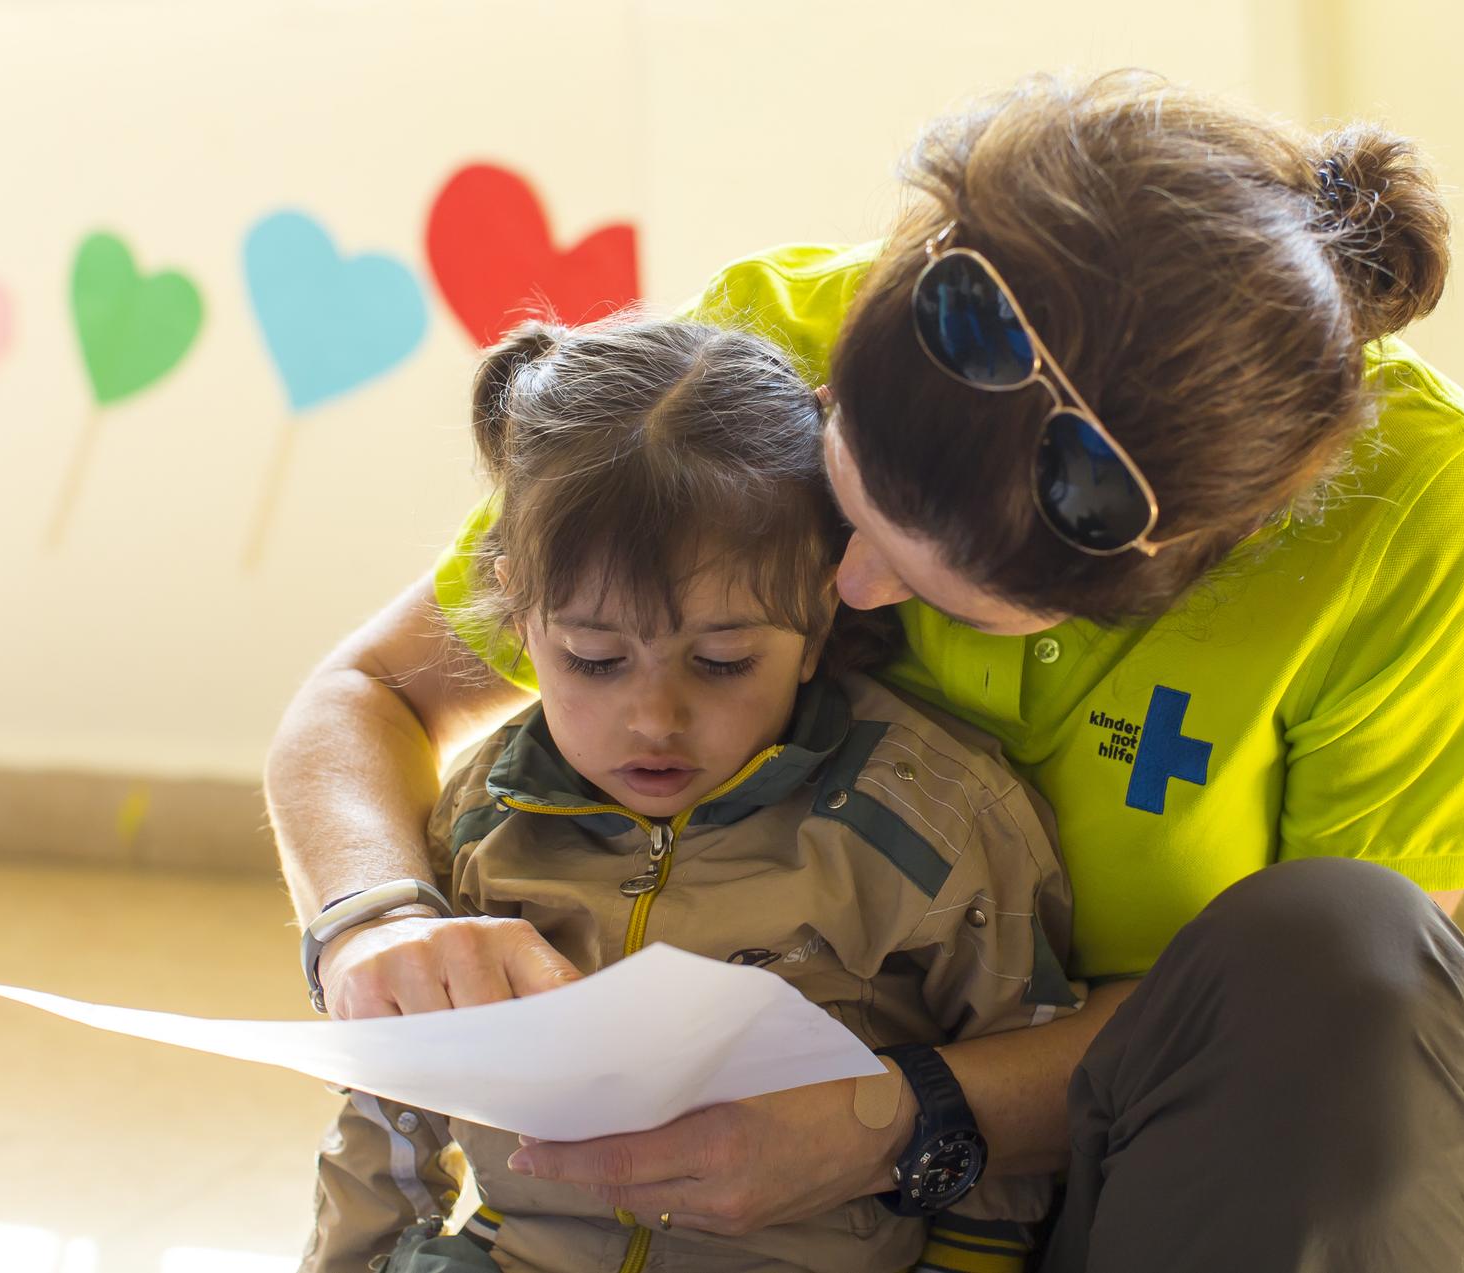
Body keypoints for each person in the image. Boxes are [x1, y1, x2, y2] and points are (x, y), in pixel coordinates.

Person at [268, 70, 1464, 1272]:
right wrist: (376, 914)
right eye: (845, 500)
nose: (855, 592)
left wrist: (900, 1119)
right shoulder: (755, 362)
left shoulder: (1424, 511)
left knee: (1351, 945)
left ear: (1198, 556)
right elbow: (368, 698)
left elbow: (1315, 1031)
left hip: (1154, 1178)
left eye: (935, 588)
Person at [302, 316, 1084, 1273]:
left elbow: (1010, 1131)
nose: (653, 718)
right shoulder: (484, 816)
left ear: (823, 604)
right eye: (593, 659)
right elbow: (392, 1097)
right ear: (519, 607)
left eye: (721, 661)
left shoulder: (934, 821)